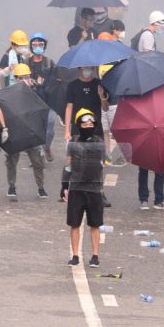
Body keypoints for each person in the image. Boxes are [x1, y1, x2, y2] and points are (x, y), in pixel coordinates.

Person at [64, 108, 105, 267]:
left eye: (90, 122)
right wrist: (64, 186)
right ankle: (75, 255)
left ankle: (95, 256)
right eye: (84, 122)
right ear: (78, 124)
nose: (88, 125)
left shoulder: (99, 143)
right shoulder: (73, 143)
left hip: (94, 188)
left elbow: (99, 164)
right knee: (74, 223)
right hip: (76, 188)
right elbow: (68, 165)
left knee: (95, 224)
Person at [3, 64, 47, 198]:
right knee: (11, 161)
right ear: (15, 78)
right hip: (15, 131)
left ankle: (41, 187)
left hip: (32, 132)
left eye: (26, 77)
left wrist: (38, 87)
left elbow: (44, 105)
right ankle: (11, 186)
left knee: (38, 162)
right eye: (21, 78)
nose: (24, 80)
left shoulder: (36, 91)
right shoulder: (9, 93)